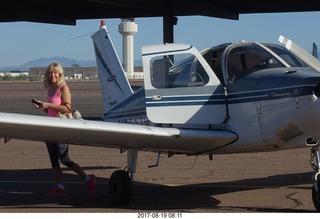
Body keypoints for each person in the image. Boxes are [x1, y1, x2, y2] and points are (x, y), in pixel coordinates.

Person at [32, 62, 97, 197]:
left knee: (65, 159)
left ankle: (87, 178)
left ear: (60, 74)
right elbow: (51, 111)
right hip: (50, 127)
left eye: (55, 73)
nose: (53, 75)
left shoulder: (63, 88)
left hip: (61, 128)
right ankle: (60, 186)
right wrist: (43, 107)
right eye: (50, 73)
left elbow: (67, 108)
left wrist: (48, 104)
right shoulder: (50, 89)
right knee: (54, 160)